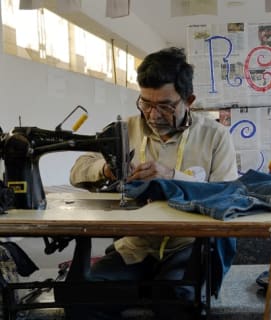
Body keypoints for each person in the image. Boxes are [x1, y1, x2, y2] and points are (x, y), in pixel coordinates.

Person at [68, 47, 238, 319]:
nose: (153, 115)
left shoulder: (215, 137)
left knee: (176, 299)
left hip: (187, 247)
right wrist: (107, 170)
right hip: (136, 246)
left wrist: (173, 177)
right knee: (82, 296)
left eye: (165, 106)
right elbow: (78, 171)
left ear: (189, 100)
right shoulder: (127, 130)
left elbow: (228, 197)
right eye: (146, 103)